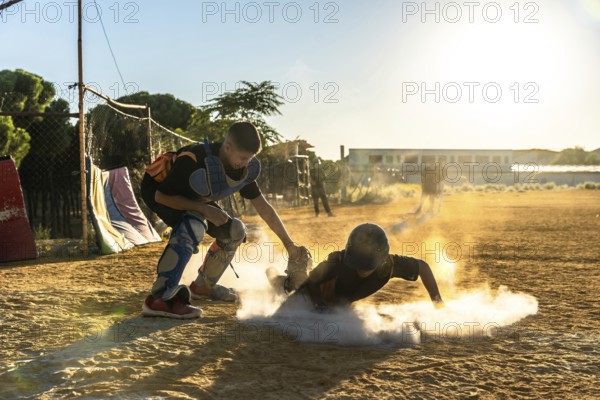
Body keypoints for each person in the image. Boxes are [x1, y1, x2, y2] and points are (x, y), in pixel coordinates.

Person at [140, 121, 306, 319]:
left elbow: (264, 208)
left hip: (196, 199)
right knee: (194, 224)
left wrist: (290, 245)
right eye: (243, 157)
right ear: (227, 147)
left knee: (235, 231)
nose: (246, 163)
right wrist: (203, 208)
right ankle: (159, 298)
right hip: (161, 193)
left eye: (250, 158)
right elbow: (161, 197)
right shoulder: (194, 160)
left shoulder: (240, 167)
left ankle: (203, 287)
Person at [288, 223, 444, 312]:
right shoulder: (336, 264)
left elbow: (422, 267)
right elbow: (309, 284)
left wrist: (437, 302)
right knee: (291, 288)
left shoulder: (389, 265)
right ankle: (300, 264)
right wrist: (318, 303)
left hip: (340, 299)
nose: (362, 269)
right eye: (358, 263)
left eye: (367, 265)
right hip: (314, 290)